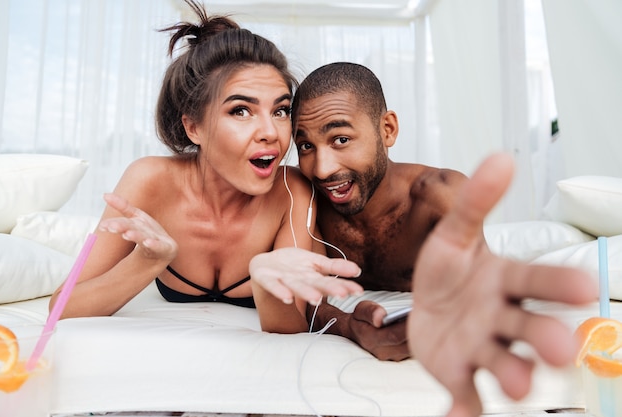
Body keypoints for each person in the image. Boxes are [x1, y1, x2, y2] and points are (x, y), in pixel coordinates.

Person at [249, 62, 598, 416]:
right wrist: (351, 327)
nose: (322, 168)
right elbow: (303, 301)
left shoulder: (439, 197)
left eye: (341, 139)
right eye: (306, 146)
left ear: (387, 129)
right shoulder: (307, 199)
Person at [48, 3, 362, 333]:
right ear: (193, 127)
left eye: (281, 110)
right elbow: (61, 307)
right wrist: (147, 262)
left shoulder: (292, 191)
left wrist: (267, 284)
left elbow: (291, 329)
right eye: (241, 111)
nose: (272, 132)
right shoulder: (149, 180)